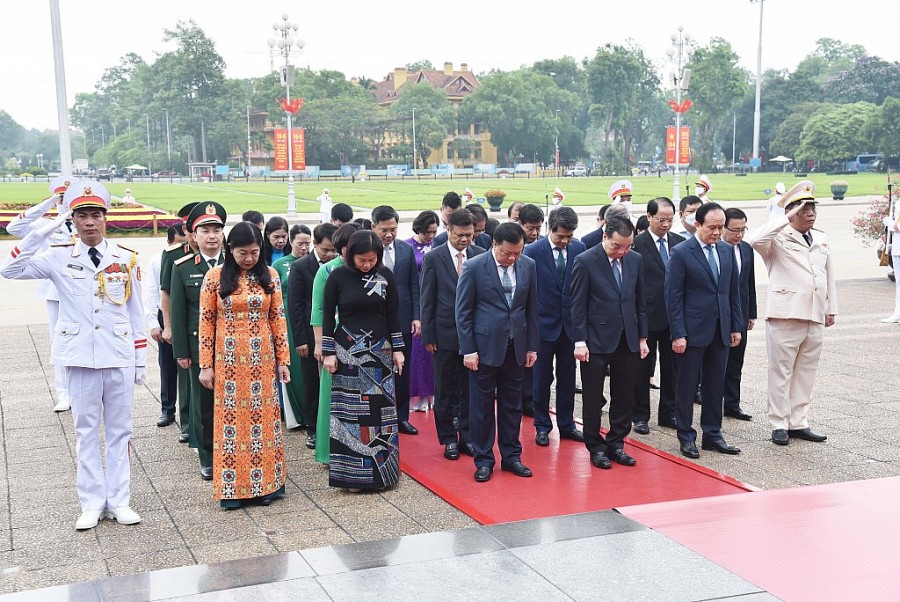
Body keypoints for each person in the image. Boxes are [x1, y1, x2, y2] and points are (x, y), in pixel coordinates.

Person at [2, 180, 146, 530]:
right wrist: (45, 229)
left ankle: (119, 500)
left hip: (118, 354)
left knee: (120, 432)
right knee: (85, 431)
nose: (90, 223)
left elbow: (137, 311)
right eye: (81, 216)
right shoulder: (57, 257)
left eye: (96, 215)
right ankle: (92, 502)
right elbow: (10, 269)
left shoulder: (125, 259)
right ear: (74, 220)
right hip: (80, 357)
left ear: (105, 218)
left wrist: (140, 359)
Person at [198, 222, 291, 509]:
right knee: (231, 425)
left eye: (254, 252)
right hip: (227, 363)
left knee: (264, 423)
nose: (249, 259)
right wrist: (206, 364)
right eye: (242, 253)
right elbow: (206, 321)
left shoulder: (270, 276)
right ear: (230, 249)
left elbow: (277, 319)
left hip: (262, 361)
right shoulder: (214, 277)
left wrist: (283, 360)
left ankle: (267, 486)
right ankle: (233, 489)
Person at [746, 181, 836, 446]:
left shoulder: (820, 237)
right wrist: (784, 216)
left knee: (806, 371)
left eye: (812, 210)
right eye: (804, 210)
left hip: (814, 314)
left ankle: (798, 421)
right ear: (792, 212)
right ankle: (778, 423)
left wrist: (831, 309)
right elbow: (754, 239)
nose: (810, 214)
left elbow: (828, 274)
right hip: (785, 314)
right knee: (781, 371)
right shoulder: (776, 239)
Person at [321, 230, 405, 491]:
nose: (367, 265)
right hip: (347, 353)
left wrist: (399, 349)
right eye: (362, 260)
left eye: (371, 260)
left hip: (380, 353)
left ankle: (383, 473)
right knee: (350, 416)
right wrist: (328, 352)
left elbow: (393, 314)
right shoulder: (338, 277)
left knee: (381, 416)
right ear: (349, 255)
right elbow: (326, 316)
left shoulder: (385, 276)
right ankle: (352, 476)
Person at [456, 222, 539, 483]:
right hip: (483, 349)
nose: (512, 258)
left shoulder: (528, 265)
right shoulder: (474, 266)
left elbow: (531, 309)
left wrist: (531, 346)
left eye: (517, 252)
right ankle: (484, 460)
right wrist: (468, 349)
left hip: (516, 347)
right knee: (481, 408)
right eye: (507, 253)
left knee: (512, 405)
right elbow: (463, 313)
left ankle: (512, 455)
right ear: (494, 245)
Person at [666, 202, 743, 459]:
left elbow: (732, 292)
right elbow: (673, 297)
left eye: (721, 227)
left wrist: (735, 326)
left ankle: (713, 433)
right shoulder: (681, 252)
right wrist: (678, 333)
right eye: (712, 227)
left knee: (715, 384)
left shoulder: (726, 250)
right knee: (687, 386)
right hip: (692, 330)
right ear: (697, 224)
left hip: (720, 329)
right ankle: (686, 435)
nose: (717, 232)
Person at [571, 215, 648, 469]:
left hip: (628, 338)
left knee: (624, 394)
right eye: (617, 246)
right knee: (593, 396)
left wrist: (643, 337)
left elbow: (640, 302)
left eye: (627, 246)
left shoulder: (634, 260)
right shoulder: (585, 261)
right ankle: (595, 446)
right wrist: (579, 341)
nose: (622, 252)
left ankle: (617, 443)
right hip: (595, 340)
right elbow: (578, 305)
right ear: (604, 236)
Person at [6, 176, 78, 412]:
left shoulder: (83, 221)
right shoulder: (45, 224)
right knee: (58, 340)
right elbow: (13, 227)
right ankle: (64, 392)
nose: (64, 202)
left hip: (81, 289)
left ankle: (82, 389)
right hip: (55, 291)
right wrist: (49, 208)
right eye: (61, 198)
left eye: (67, 198)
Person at [170, 202, 227, 481]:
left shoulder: (235, 264)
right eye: (205, 230)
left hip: (232, 347)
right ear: (194, 234)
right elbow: (178, 313)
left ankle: (230, 452)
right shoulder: (182, 267)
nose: (212, 235)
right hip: (197, 348)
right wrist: (181, 351)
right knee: (203, 405)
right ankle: (208, 457)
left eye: (217, 229)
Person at [420, 210, 484, 460]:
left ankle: (467, 436)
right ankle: (448, 438)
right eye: (460, 235)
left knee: (470, 389)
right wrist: (428, 335)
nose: (465, 239)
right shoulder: (434, 258)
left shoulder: (480, 256)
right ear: (449, 230)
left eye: (469, 235)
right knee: (445, 389)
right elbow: (427, 299)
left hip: (472, 336)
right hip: (444, 334)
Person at [523, 206, 585, 446]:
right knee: (541, 378)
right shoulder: (532, 251)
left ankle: (567, 424)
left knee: (568, 378)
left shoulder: (579, 248)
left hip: (570, 326)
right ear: (550, 229)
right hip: (542, 326)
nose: (565, 241)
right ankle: (541, 425)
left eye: (569, 236)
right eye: (561, 236)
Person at [632, 197, 685, 434]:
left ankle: (669, 412)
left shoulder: (680, 243)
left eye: (670, 220)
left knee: (672, 368)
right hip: (646, 315)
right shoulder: (636, 244)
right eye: (661, 220)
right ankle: (640, 415)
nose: (666, 224)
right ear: (649, 216)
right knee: (642, 368)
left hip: (674, 317)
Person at [310, 223, 362, 463]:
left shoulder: (367, 268)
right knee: (331, 396)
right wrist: (321, 343)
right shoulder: (328, 271)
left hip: (362, 341)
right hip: (335, 339)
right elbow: (319, 308)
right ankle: (328, 451)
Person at [287, 223, 338, 449]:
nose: (329, 255)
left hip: (335, 332)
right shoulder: (301, 267)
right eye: (325, 250)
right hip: (309, 335)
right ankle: (312, 427)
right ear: (315, 244)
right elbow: (296, 307)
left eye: (333, 250)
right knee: (312, 383)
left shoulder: (339, 266)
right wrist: (301, 340)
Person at [371, 205, 421, 435]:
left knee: (402, 368)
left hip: (402, 317)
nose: (389, 234)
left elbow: (413, 285)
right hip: (376, 318)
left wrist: (416, 316)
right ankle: (379, 416)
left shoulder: (405, 249)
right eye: (384, 230)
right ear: (373, 227)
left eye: (393, 229)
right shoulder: (366, 250)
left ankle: (401, 416)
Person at [160, 203, 198, 443]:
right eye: (192, 228)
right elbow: (166, 292)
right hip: (187, 325)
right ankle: (186, 422)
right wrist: (168, 325)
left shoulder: (225, 252)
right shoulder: (174, 255)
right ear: (186, 229)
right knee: (186, 378)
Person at [145, 223, 186, 428]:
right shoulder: (157, 261)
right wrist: (154, 323)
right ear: (169, 242)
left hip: (187, 316)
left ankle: (188, 413)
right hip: (165, 316)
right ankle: (167, 410)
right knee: (168, 367)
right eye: (179, 244)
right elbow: (152, 292)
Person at [272, 224, 312, 428]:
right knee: (293, 366)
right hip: (285, 317)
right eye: (300, 244)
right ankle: (295, 414)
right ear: (291, 242)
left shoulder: (314, 263)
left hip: (307, 316)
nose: (304, 248)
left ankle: (309, 412)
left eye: (308, 243)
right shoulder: (280, 264)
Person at [721, 208, 757, 421]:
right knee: (717, 364)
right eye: (735, 230)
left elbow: (749, 283)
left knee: (736, 362)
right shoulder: (715, 250)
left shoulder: (746, 249)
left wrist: (751, 313)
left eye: (743, 230)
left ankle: (732, 404)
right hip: (718, 315)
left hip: (740, 314)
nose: (739, 235)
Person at [404, 211, 439, 412]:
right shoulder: (407, 245)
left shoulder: (437, 245)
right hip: (416, 301)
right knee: (417, 352)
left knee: (431, 353)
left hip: (434, 301)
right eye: (427, 232)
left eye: (434, 232)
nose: (431, 236)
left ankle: (431, 394)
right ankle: (414, 395)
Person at [882, 198, 900, 323]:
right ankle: (898, 312)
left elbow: (896, 225)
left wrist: (893, 224)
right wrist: (888, 221)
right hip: (897, 247)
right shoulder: (897, 202)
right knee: (899, 284)